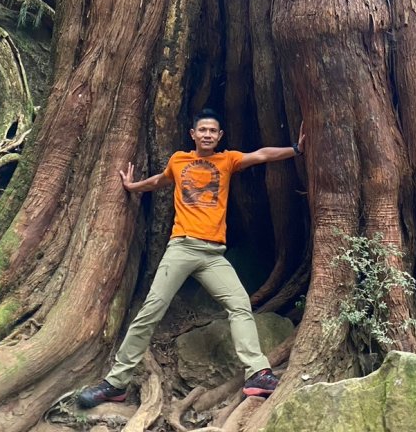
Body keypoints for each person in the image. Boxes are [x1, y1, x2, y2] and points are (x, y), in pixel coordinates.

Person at [76, 108, 305, 408]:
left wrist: (295, 149)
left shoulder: (227, 160)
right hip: (182, 248)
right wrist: (133, 187)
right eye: (203, 130)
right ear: (193, 134)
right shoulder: (178, 160)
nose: (208, 135)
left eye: (213, 131)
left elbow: (261, 154)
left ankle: (258, 374)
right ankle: (115, 383)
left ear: (220, 136)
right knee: (151, 311)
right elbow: (159, 181)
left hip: (213, 255)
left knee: (239, 305)